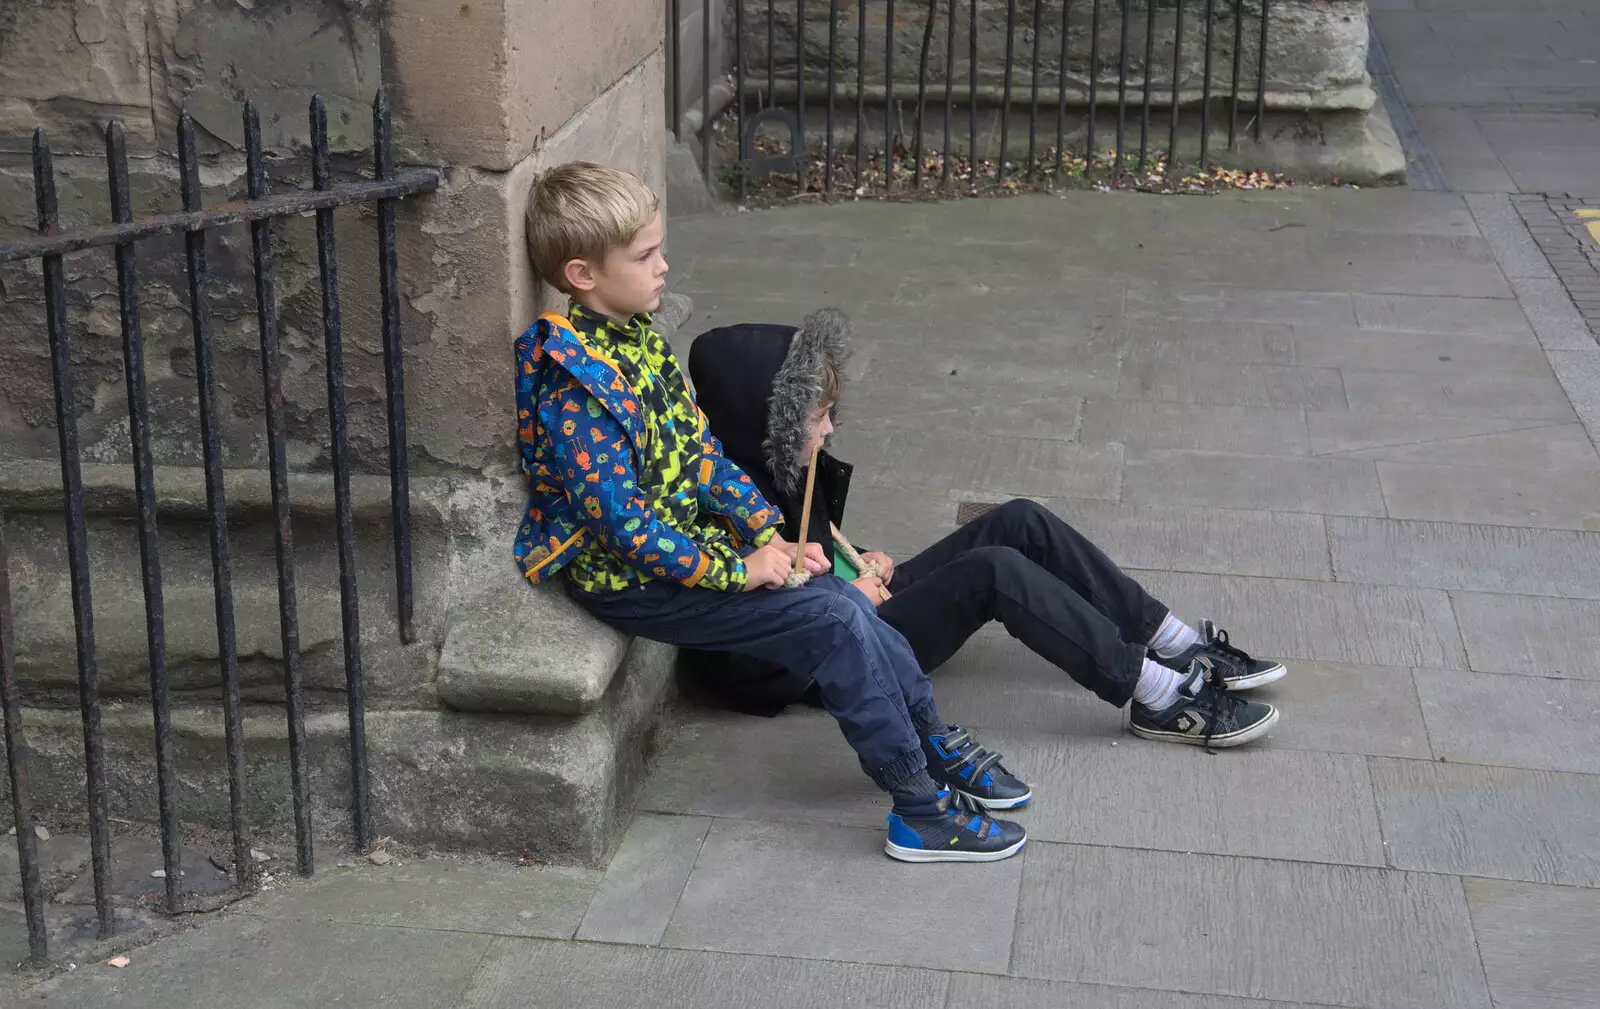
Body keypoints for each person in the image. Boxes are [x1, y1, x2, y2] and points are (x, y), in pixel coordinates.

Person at [512, 162, 1029, 863]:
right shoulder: (578, 390)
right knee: (835, 619)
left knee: (838, 597)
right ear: (582, 275)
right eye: (644, 256)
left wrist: (770, 532)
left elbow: (703, 456)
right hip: (631, 581)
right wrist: (739, 568)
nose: (664, 266)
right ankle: (917, 806)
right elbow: (623, 528)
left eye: (660, 248)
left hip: (686, 554)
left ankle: (932, 740)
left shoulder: (641, 342)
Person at [685, 308, 1285, 750]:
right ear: (766, 423)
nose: (831, 431)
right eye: (819, 419)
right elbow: (751, 656)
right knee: (994, 572)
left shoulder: (778, 468)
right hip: (832, 654)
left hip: (851, 605)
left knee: (1019, 518)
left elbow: (811, 552)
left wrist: (863, 560)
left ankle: (1173, 638)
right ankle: (1155, 695)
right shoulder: (723, 505)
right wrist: (847, 602)